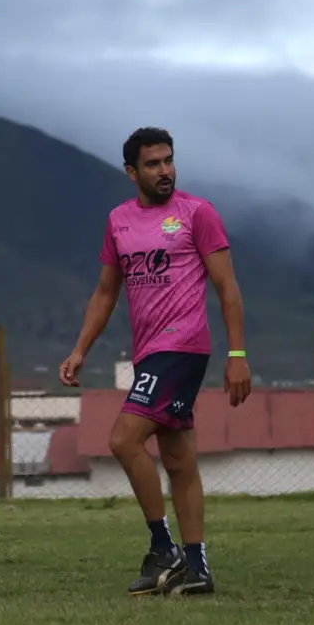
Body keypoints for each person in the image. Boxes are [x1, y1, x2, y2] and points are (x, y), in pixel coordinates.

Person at [58, 127, 251, 597]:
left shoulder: (197, 213)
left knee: (123, 439)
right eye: (153, 164)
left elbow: (227, 287)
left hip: (183, 347)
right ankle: (198, 568)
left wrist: (238, 354)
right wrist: (80, 349)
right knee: (179, 460)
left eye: (168, 161)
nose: (165, 170)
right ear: (131, 172)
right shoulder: (118, 221)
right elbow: (106, 292)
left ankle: (163, 548)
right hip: (149, 351)